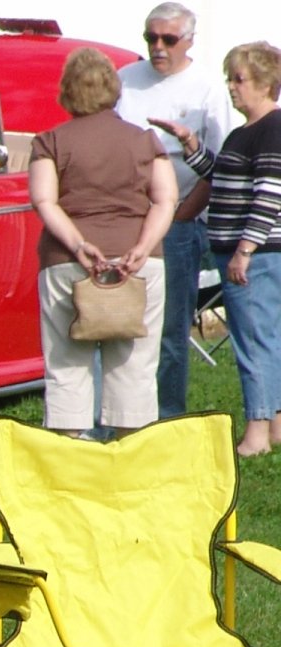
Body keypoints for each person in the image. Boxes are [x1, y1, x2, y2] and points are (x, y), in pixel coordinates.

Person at [30, 48, 178, 437]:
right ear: (115, 90)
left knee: (66, 362)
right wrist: (143, 248)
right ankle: (131, 455)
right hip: (138, 264)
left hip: (67, 264)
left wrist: (79, 245)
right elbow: (166, 199)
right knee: (134, 364)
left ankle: (69, 454)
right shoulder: (145, 140)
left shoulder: (49, 141)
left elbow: (44, 200)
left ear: (66, 92)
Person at [157, 43, 281, 456]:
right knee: (268, 339)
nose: (231, 87)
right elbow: (222, 175)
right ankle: (275, 425)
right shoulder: (243, 133)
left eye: (239, 79)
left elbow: (269, 195)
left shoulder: (270, 130)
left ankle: (258, 432)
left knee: (252, 342)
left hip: (255, 257)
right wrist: (191, 145)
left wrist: (245, 249)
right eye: (230, 78)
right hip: (254, 255)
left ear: (266, 84)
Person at [116, 3, 236, 417]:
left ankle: (166, 414)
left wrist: (183, 215)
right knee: (118, 321)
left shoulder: (206, 88)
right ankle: (121, 413)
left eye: (168, 39)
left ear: (189, 41)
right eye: (151, 38)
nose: (158, 47)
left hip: (180, 222)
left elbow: (220, 165)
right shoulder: (125, 81)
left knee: (170, 329)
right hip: (126, 218)